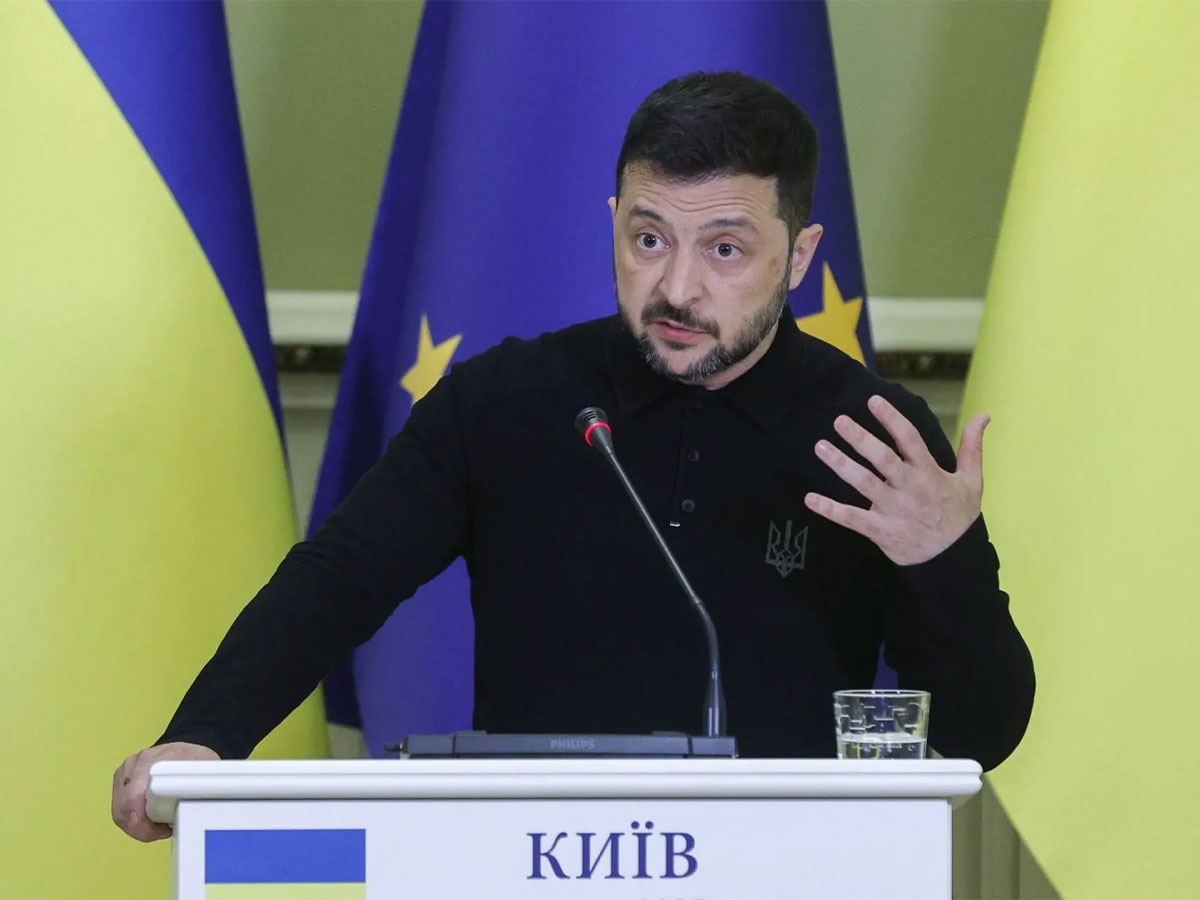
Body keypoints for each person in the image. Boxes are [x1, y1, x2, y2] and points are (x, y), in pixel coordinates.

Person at [112, 71, 1034, 842]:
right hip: (532, 862)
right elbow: (338, 579)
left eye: (724, 249)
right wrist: (206, 736)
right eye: (648, 239)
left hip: (792, 868)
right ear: (614, 220)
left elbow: (982, 736)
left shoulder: (876, 439)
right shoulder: (506, 403)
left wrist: (941, 561)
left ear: (799, 257)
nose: (676, 288)